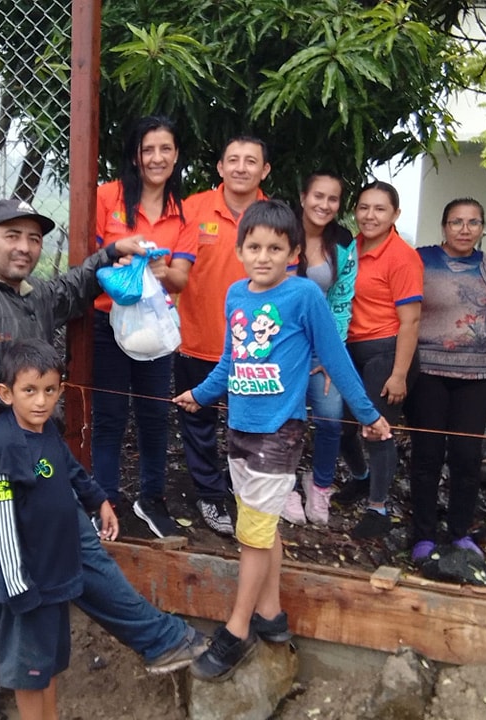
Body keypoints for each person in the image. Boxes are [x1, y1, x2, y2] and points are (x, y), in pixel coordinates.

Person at [0, 198, 206, 720]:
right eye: (12, 235)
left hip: (18, 457)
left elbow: (75, 286)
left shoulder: (32, 298)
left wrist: (111, 253)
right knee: (77, 547)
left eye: (33, 238)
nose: (24, 247)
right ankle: (162, 640)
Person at [173, 200, 390, 681]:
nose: (263, 257)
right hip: (239, 427)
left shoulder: (303, 295)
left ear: (293, 253)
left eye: (275, 248)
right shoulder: (236, 294)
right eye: (254, 247)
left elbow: (335, 358)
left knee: (251, 532)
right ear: (240, 250)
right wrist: (201, 395)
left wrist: (368, 414)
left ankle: (238, 628)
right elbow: (231, 361)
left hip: (280, 431)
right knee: (261, 523)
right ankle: (271, 614)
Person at [0, 339, 118, 720]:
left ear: (60, 390)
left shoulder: (46, 431)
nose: (41, 401)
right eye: (29, 391)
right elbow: (1, 522)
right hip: (27, 586)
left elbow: (71, 469)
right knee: (29, 674)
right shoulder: (5, 446)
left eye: (49, 390)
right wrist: (18, 585)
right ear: (7, 393)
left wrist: (99, 500)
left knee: (49, 665)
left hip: (56, 576)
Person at [92, 115, 197, 538]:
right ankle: (104, 500)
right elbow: (89, 258)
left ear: (176, 155)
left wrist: (161, 270)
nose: (156, 158)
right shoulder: (107, 197)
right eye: (147, 149)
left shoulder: (182, 215)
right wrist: (116, 255)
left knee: (154, 414)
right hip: (106, 322)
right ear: (135, 156)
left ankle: (151, 498)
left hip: (154, 328)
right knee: (109, 415)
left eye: (165, 149)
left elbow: (182, 279)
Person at [406, 198, 486, 562]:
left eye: (473, 222)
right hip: (429, 373)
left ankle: (459, 532)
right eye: (457, 222)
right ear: (444, 226)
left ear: (482, 228)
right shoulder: (421, 259)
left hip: (477, 375)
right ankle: (423, 534)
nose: (465, 229)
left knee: (467, 458)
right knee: (427, 455)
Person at [176, 135, 270, 536]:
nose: (241, 167)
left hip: (255, 349)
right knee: (197, 424)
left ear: (264, 170)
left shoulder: (274, 215)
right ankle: (210, 495)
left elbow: (288, 280)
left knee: (248, 426)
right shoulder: (193, 209)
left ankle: (245, 494)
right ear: (220, 167)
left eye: (251, 161)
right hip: (196, 339)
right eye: (233, 159)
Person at [333, 181, 423, 539]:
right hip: (349, 350)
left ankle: (378, 507)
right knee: (338, 424)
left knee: (376, 429)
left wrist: (399, 374)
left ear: (395, 214)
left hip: (385, 353)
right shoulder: (350, 249)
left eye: (380, 209)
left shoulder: (402, 256)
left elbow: (410, 321)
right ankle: (360, 477)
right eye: (364, 207)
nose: (370, 216)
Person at [282, 170, 357, 527]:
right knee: (288, 419)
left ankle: (320, 484)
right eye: (318, 196)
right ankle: (285, 487)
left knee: (330, 417)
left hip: (320, 348)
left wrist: (331, 355)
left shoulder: (342, 241)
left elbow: (341, 300)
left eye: (332, 199)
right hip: (282, 346)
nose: (324, 205)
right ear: (303, 198)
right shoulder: (282, 231)